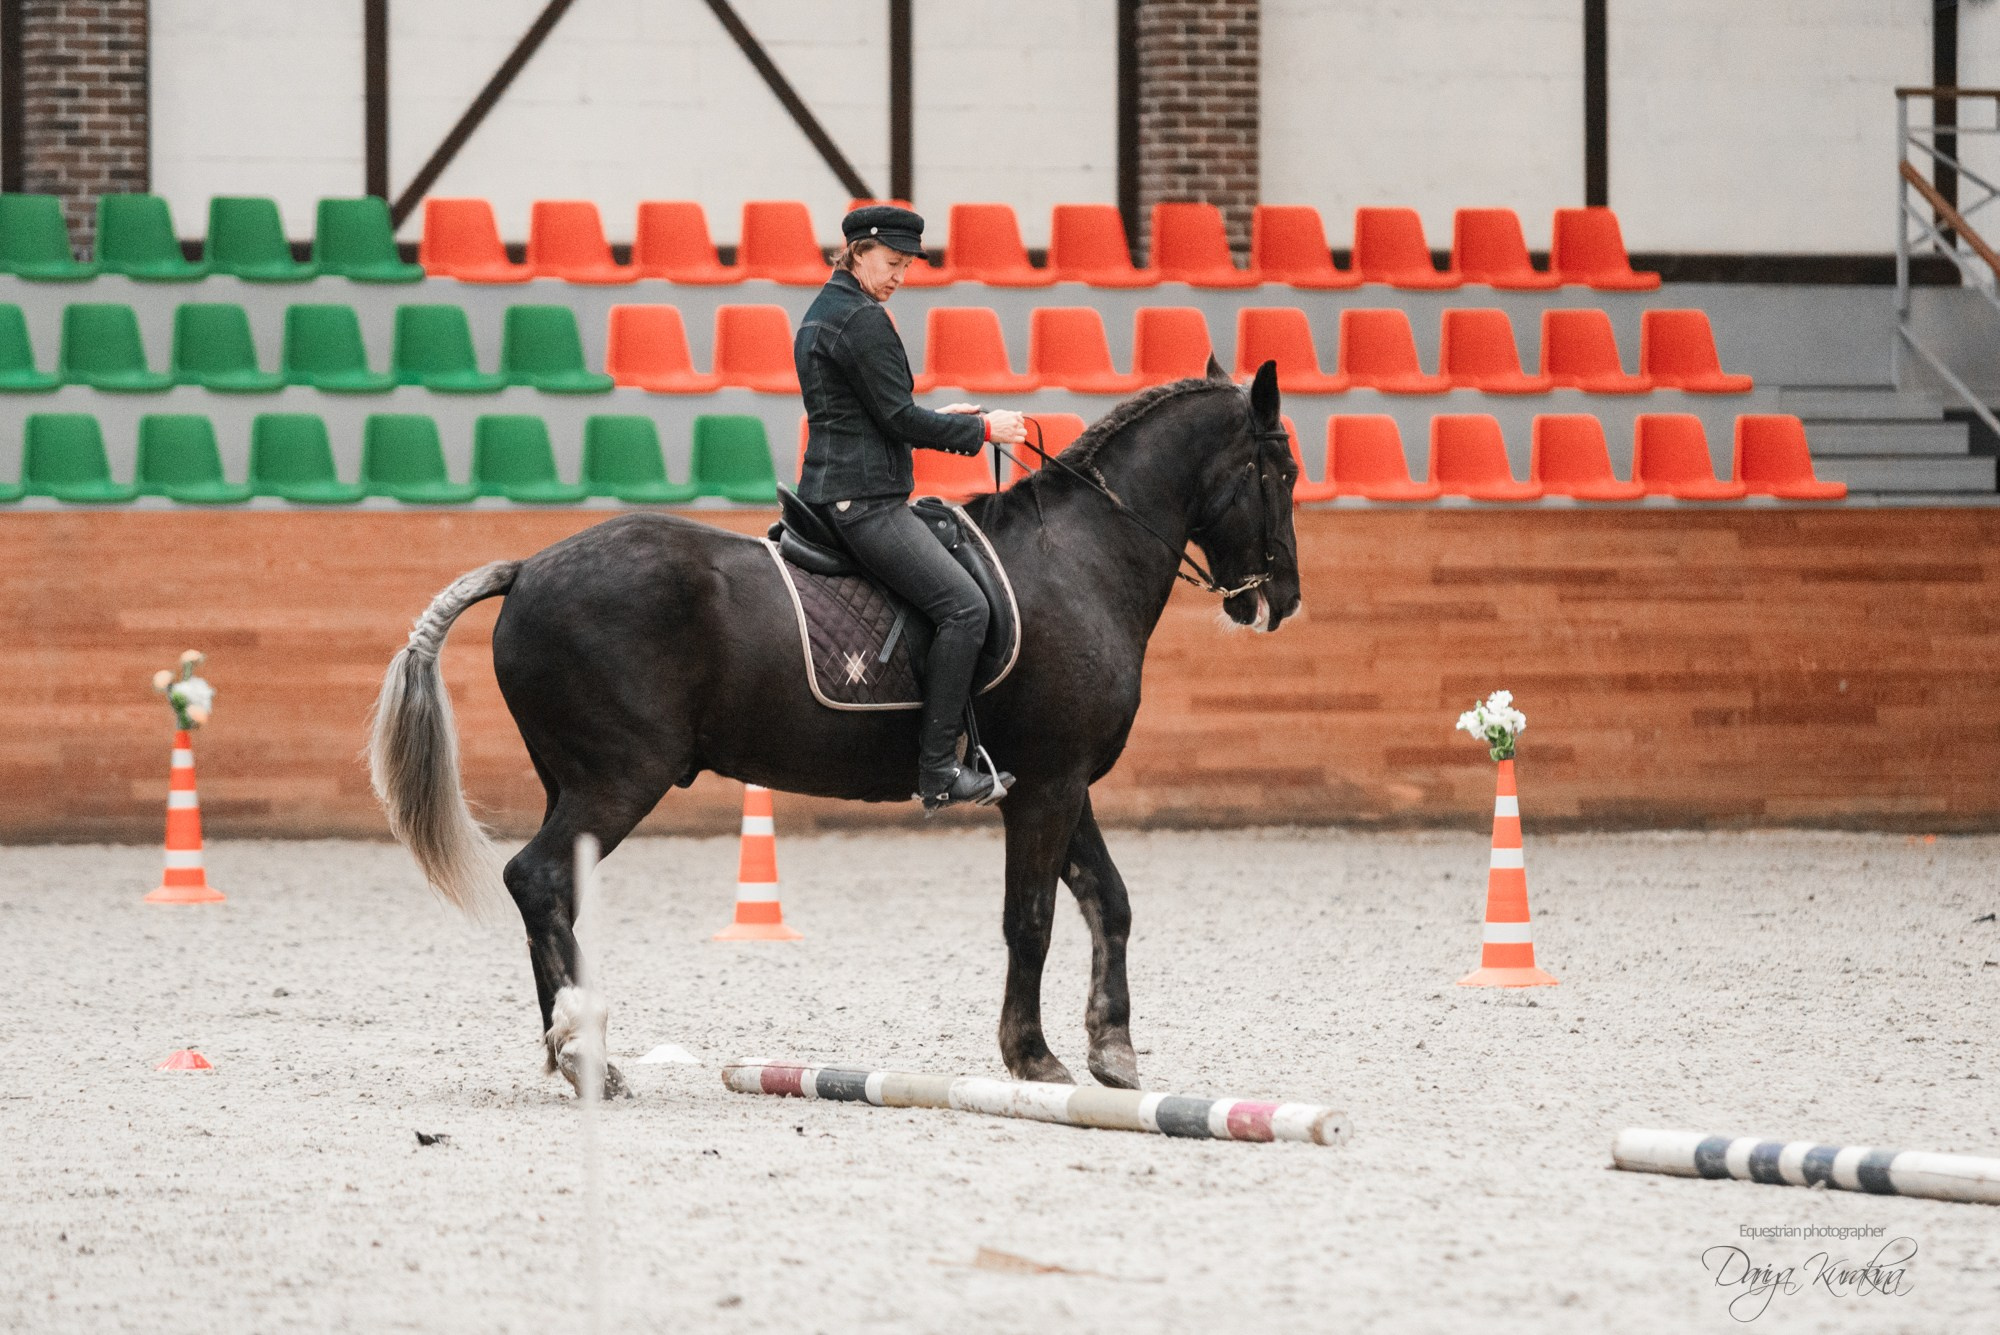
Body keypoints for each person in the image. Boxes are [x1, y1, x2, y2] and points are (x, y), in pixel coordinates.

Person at [793, 205, 1029, 812]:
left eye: (907, 266)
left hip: (836, 487)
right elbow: (897, 418)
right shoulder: (862, 320)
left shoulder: (827, 309)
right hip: (865, 502)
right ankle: (938, 770)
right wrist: (983, 430)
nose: (900, 276)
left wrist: (940, 419)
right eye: (893, 262)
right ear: (858, 252)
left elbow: (867, 415)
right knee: (966, 609)